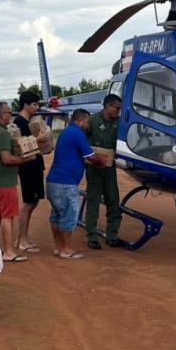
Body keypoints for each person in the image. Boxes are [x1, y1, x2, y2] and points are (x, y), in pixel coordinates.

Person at [45, 108, 102, 260]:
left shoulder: (66, 131)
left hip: (55, 181)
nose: (87, 125)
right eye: (87, 122)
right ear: (81, 121)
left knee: (57, 215)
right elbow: (91, 156)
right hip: (65, 182)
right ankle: (66, 250)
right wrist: (102, 161)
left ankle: (59, 247)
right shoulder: (77, 133)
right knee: (69, 215)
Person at [0, 101, 31, 263]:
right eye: (9, 112)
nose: (10, 115)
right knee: (7, 216)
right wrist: (26, 159)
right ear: (2, 115)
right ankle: (8, 252)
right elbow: (7, 159)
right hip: (5, 182)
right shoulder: (3, 133)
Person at [84, 94, 123, 249]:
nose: (118, 111)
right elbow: (81, 140)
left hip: (109, 167)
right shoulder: (92, 120)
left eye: (119, 109)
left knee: (113, 199)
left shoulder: (119, 122)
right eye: (116, 108)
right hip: (93, 167)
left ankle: (112, 234)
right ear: (107, 106)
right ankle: (92, 236)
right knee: (93, 200)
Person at [12, 90, 45, 254]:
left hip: (35, 165)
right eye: (34, 104)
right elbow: (20, 146)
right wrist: (38, 139)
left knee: (33, 202)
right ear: (25, 105)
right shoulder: (18, 122)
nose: (37, 107)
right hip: (27, 167)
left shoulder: (31, 121)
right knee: (28, 203)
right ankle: (23, 241)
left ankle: (21, 238)